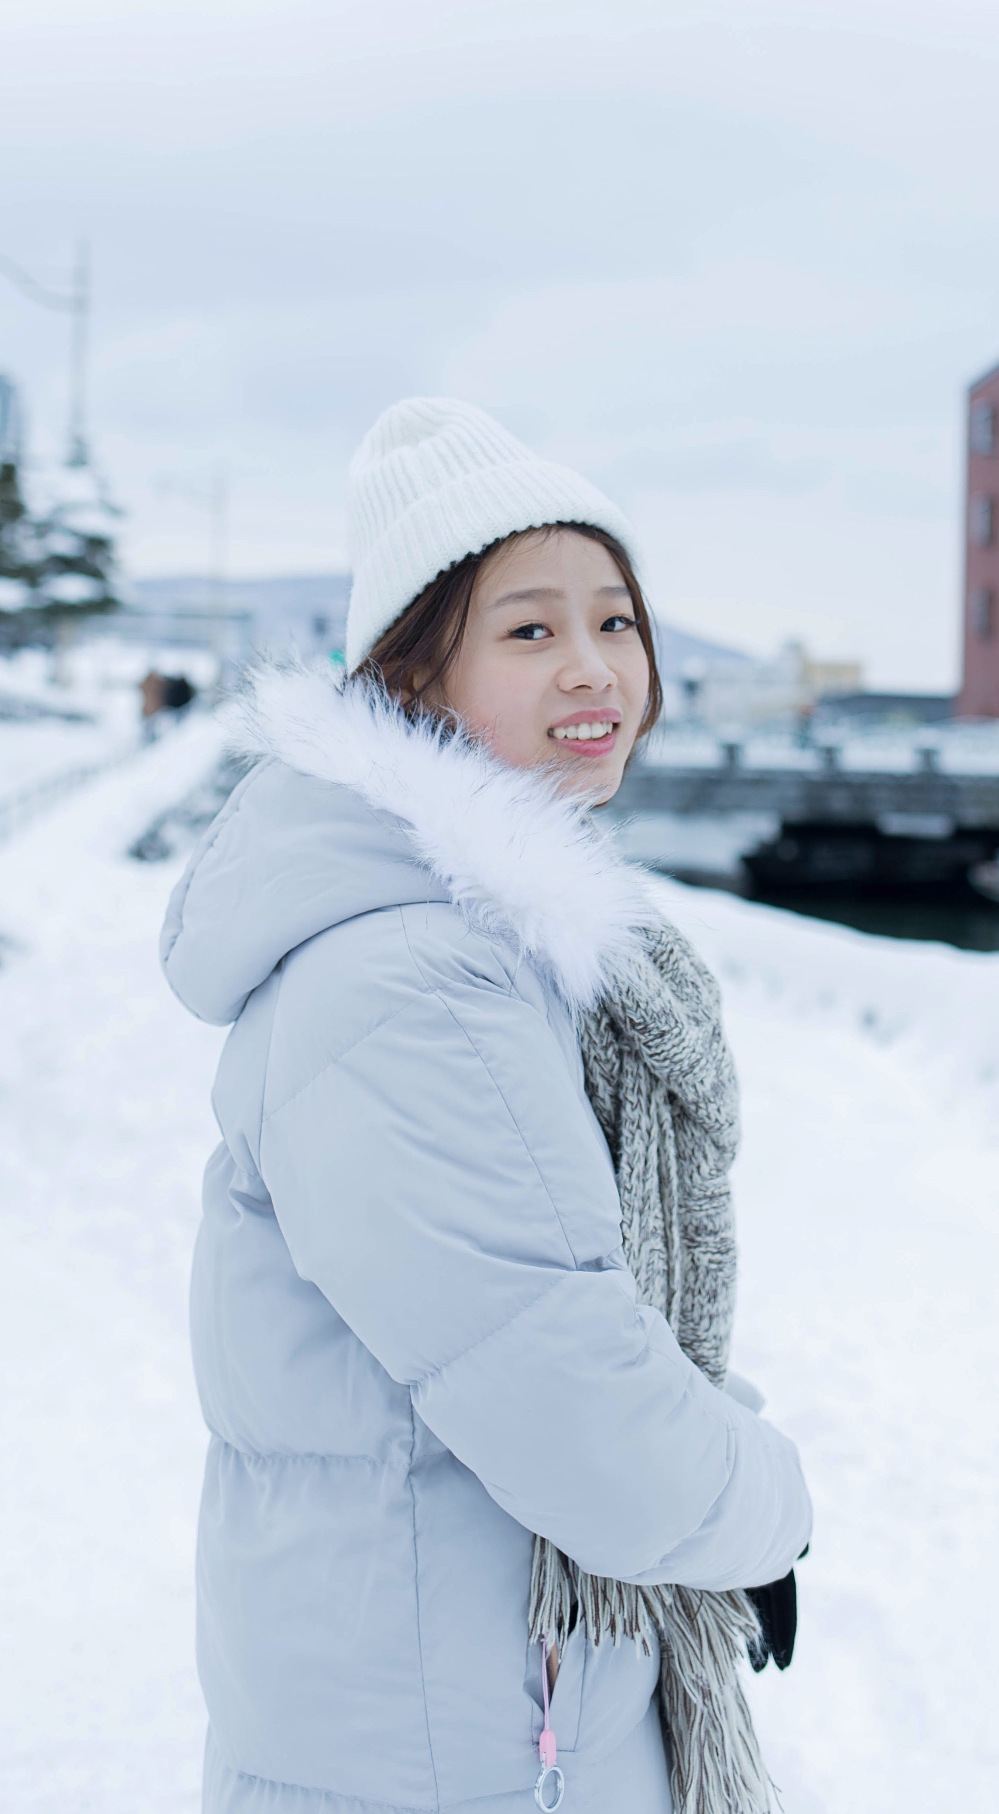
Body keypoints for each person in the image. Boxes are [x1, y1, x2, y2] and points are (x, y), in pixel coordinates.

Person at [162, 399, 812, 1814]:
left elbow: (563, 1312)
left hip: (483, 1710)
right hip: (443, 1746)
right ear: (415, 679)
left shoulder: (495, 954)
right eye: (528, 631)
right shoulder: (412, 983)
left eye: (616, 622)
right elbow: (567, 1388)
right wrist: (765, 1509)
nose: (593, 668)